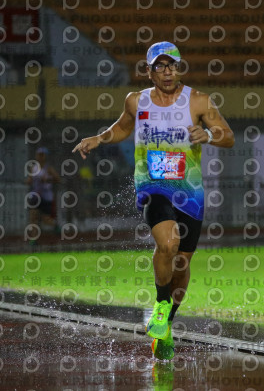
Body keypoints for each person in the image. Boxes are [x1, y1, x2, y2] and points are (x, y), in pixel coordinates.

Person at [72, 41, 234, 360]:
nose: (168, 71)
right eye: (160, 66)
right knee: (168, 244)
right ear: (149, 71)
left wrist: (209, 135)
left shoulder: (199, 100)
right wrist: (99, 138)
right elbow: (122, 128)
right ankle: (161, 303)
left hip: (189, 192)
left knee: (182, 263)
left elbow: (228, 135)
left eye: (172, 65)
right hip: (152, 186)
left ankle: (167, 323)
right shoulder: (137, 101)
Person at [26, 147, 61, 244]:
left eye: (42, 155)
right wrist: (28, 181)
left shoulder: (49, 168)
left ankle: (55, 225)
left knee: (45, 219)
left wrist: (48, 179)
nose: (40, 157)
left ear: (45, 156)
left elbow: (58, 179)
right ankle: (33, 239)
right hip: (36, 196)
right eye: (39, 155)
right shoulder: (34, 168)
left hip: (46, 197)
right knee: (33, 218)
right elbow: (30, 180)